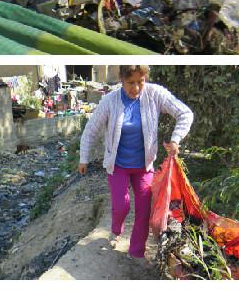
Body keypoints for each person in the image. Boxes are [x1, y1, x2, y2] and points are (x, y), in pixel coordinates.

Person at [78, 65, 193, 260]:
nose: (137, 87)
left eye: (141, 81)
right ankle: (116, 230)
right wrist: (84, 158)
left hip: (144, 166)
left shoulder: (155, 94)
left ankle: (136, 251)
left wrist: (176, 139)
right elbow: (91, 130)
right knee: (121, 206)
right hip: (118, 166)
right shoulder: (110, 101)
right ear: (121, 80)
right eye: (131, 83)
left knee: (143, 209)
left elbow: (185, 113)